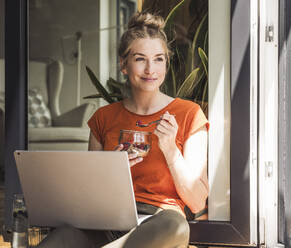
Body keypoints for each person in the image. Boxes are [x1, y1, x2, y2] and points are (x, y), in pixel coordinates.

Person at [36, 11, 209, 248]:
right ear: (123, 65)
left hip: (159, 221)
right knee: (62, 236)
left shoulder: (189, 114)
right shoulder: (103, 118)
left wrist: (170, 150)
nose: (151, 69)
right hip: (107, 222)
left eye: (159, 59)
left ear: (166, 64)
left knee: (175, 225)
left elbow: (198, 201)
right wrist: (112, 170)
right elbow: (89, 197)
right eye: (140, 59)